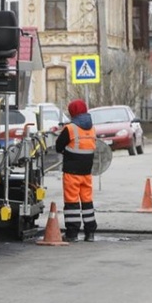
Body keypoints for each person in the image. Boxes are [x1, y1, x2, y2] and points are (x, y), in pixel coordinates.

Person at [55, 98, 97, 242]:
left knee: (72, 202)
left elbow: (58, 146)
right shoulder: (92, 128)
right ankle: (90, 233)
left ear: (72, 112)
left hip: (72, 172)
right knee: (87, 202)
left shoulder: (70, 128)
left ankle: (72, 234)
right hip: (86, 172)